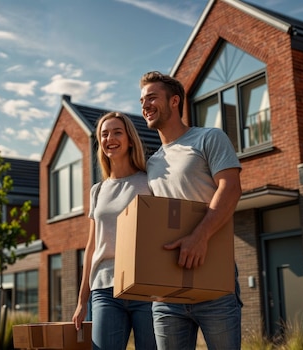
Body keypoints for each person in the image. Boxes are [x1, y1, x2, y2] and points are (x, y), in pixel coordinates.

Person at [139, 71, 243, 350]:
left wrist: (200, 236)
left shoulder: (209, 138)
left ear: (175, 101)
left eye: (152, 98)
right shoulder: (152, 163)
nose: (145, 105)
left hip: (214, 282)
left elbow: (231, 188)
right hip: (165, 294)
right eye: (141, 100)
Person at [72, 111, 156, 350]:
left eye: (117, 132)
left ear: (130, 138)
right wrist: (81, 301)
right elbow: (92, 246)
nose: (110, 138)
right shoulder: (97, 191)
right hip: (104, 288)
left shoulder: (149, 181)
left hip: (145, 286)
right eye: (104, 134)